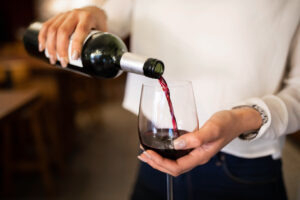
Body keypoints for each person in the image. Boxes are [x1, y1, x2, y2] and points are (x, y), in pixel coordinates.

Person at [38, 1, 300, 199]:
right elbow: (111, 20)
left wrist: (242, 118)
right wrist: (95, 14)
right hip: (154, 159)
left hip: (245, 172)